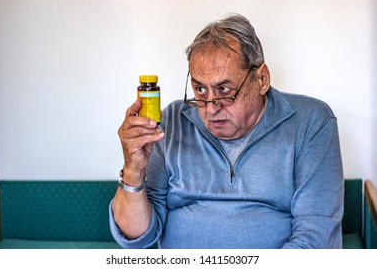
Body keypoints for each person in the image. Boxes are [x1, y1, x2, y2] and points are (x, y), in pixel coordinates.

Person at [109, 13, 344, 249]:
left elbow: (316, 237)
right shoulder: (171, 120)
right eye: (200, 89)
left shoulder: (311, 121)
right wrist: (133, 170)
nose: (210, 108)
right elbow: (138, 238)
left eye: (224, 89)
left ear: (261, 79)